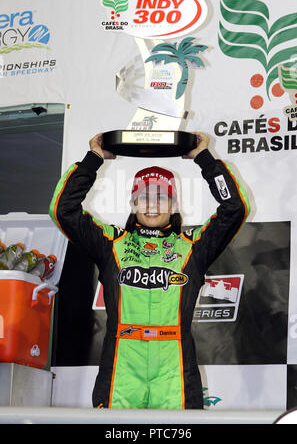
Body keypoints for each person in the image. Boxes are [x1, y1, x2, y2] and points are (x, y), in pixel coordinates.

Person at [49, 132, 250, 409]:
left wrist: (204, 158)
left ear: (174, 204)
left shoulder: (192, 247)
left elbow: (234, 208)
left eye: (162, 198)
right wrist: (93, 160)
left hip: (174, 366)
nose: (153, 205)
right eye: (144, 197)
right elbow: (63, 210)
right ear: (133, 204)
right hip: (122, 364)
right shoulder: (111, 245)